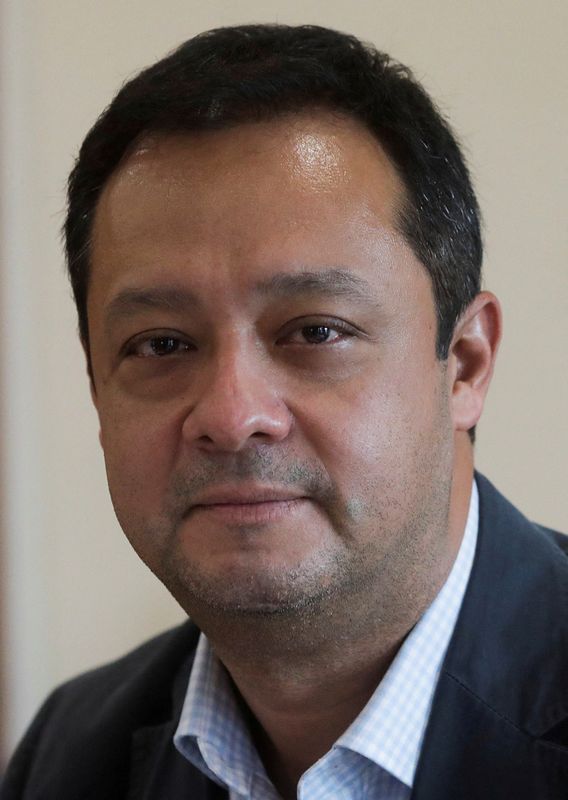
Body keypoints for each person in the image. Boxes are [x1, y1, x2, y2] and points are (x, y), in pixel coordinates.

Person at [2, 23, 567, 800]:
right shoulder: (67, 757)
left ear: (464, 364)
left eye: (316, 331)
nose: (232, 417)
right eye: (161, 344)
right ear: (98, 387)